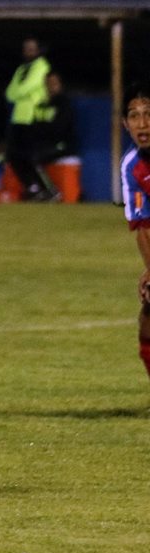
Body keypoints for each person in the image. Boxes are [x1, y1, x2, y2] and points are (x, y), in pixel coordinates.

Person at [118, 83, 150, 382]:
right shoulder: (132, 165)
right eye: (135, 116)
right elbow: (143, 226)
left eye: (148, 114)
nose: (143, 123)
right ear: (126, 124)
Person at [4, 37, 55, 200]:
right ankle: (34, 188)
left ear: (39, 50)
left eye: (32, 48)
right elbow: (10, 94)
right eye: (26, 48)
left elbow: (23, 89)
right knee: (13, 156)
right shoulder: (21, 69)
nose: (28, 51)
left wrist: (20, 92)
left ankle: (49, 190)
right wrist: (20, 92)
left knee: (31, 157)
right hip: (19, 118)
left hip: (33, 117)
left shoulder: (42, 65)